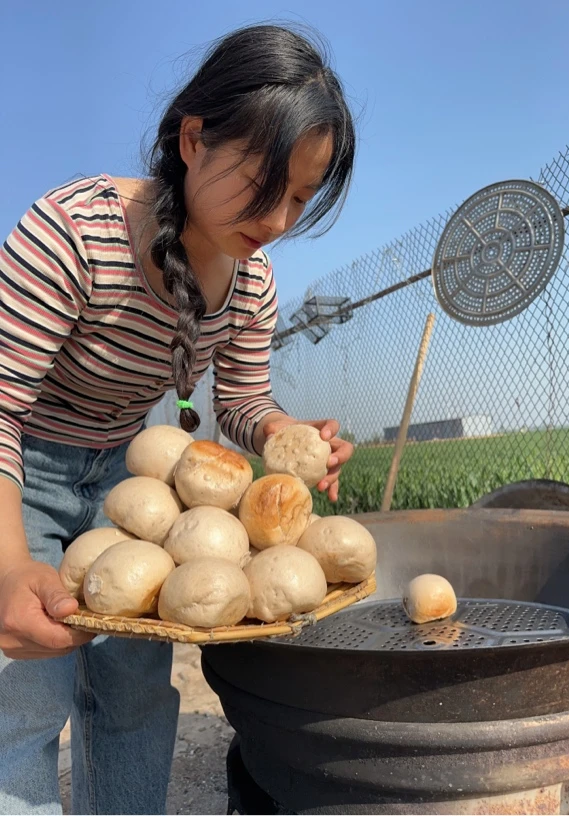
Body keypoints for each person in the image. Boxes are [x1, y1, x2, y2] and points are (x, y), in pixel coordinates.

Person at [0, 23, 356, 815]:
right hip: (20, 467)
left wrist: (286, 438)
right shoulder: (75, 232)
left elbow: (240, 402)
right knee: (25, 690)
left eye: (300, 197)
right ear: (194, 139)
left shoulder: (253, 284)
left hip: (130, 479)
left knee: (133, 686)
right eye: (264, 183)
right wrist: (5, 561)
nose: (277, 218)